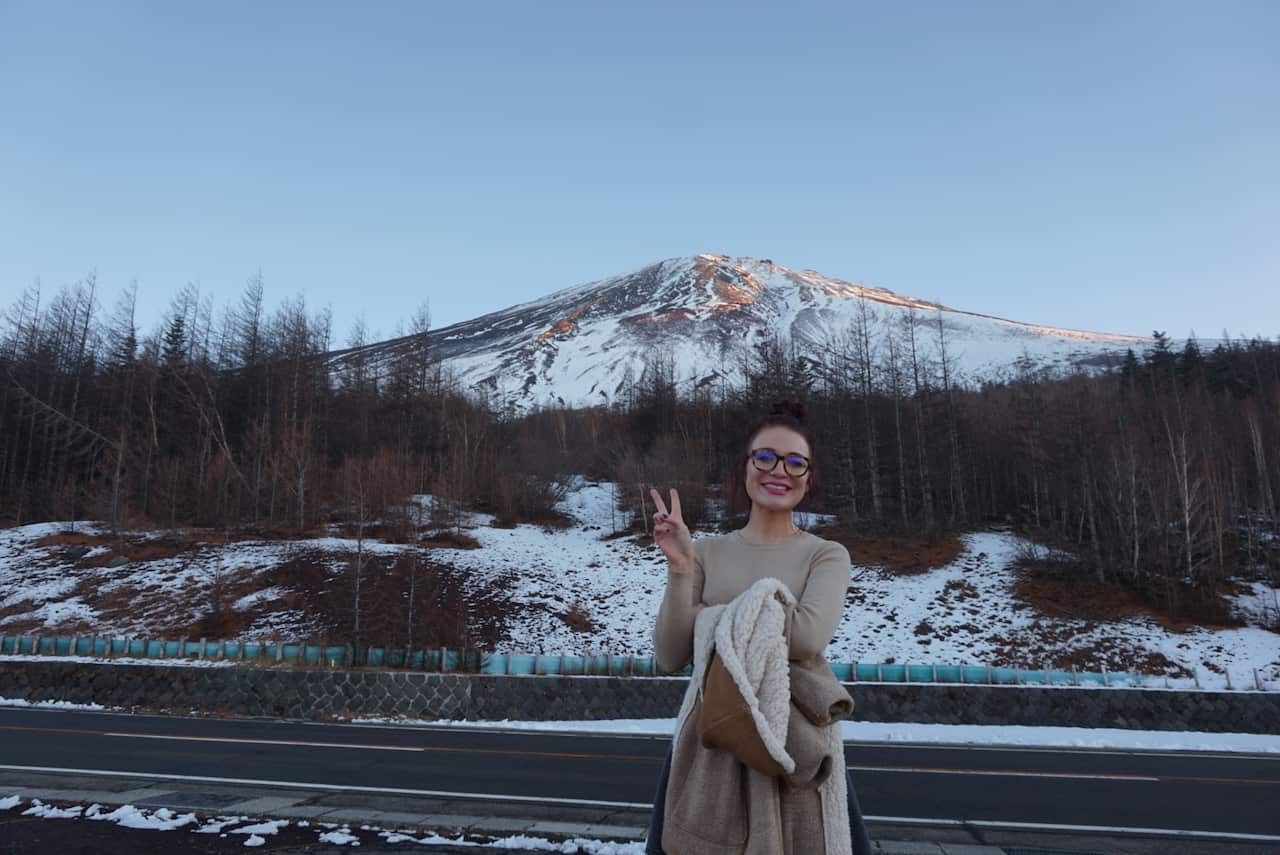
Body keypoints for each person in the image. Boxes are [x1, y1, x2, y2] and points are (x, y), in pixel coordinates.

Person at [644, 400, 872, 855]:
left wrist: (711, 615)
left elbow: (808, 636)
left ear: (809, 478)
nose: (779, 471)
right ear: (745, 469)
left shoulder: (825, 555)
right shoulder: (706, 553)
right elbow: (670, 655)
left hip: (796, 741)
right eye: (765, 457)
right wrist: (681, 568)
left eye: (795, 462)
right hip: (711, 734)